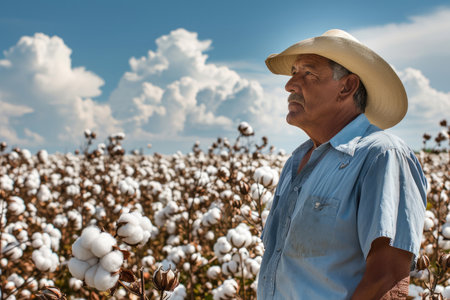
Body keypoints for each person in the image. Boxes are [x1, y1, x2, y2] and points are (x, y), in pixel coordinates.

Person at [257, 29, 427, 299]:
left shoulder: (382, 155)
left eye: (308, 73)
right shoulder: (295, 162)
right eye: (293, 72)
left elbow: (387, 280)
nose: (289, 85)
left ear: (347, 87)